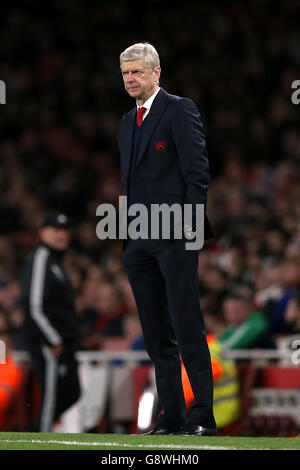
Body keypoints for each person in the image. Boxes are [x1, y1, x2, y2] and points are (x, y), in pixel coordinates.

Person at [118, 42, 216, 436]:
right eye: (125, 73)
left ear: (156, 72)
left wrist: (189, 228)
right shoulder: (127, 122)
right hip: (138, 238)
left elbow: (197, 172)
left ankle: (203, 417)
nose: (130, 79)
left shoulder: (179, 109)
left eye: (137, 72)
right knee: (156, 334)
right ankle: (172, 417)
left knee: (187, 325)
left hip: (174, 234)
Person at [19, 212, 81, 432]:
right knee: (52, 396)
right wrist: (53, 339)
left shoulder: (54, 261)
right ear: (42, 232)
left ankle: (39, 431)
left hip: (62, 342)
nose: (61, 234)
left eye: (65, 230)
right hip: (50, 343)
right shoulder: (41, 258)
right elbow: (33, 305)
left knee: (71, 391)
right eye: (55, 229)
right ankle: (41, 437)